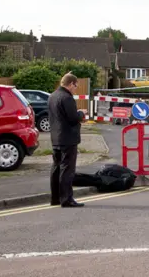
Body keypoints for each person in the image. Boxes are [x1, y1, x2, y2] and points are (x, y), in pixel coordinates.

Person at [48, 72, 87, 208]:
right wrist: (81, 113)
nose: (75, 89)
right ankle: (66, 199)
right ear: (71, 84)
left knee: (56, 168)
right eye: (75, 86)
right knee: (67, 170)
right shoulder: (67, 98)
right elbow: (72, 118)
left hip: (56, 138)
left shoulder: (52, 96)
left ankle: (55, 198)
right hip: (68, 138)